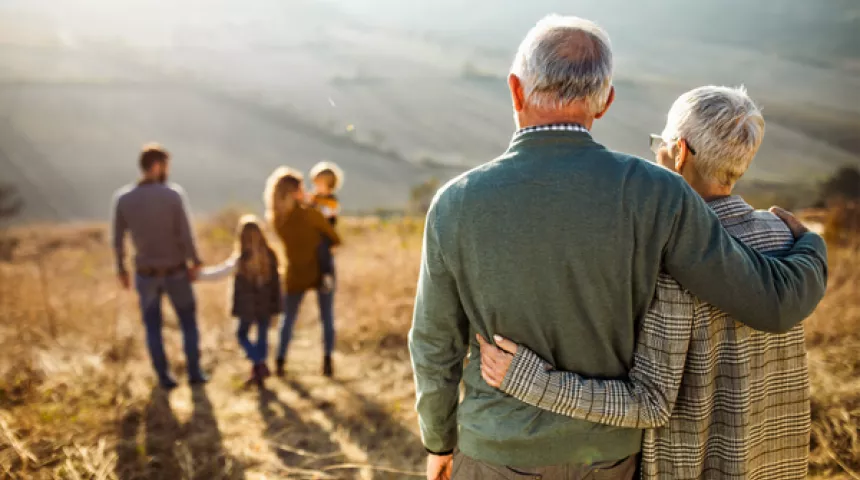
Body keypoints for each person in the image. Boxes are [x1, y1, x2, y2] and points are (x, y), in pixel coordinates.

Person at [408, 15, 828, 480]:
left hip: (494, 449)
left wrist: (439, 440)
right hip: (607, 457)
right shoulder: (657, 192)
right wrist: (810, 245)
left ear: (515, 90)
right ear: (605, 101)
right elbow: (767, 301)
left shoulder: (456, 202)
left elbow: (434, 344)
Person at [478, 86, 812, 480]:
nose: (656, 153)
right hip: (775, 466)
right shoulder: (785, 237)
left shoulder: (670, 259)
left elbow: (651, 403)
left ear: (680, 153)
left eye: (661, 144)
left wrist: (532, 382)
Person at [111, 143, 207, 389]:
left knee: (153, 327)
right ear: (156, 166)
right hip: (176, 271)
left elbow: (118, 239)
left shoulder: (123, 199)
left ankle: (164, 377)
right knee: (188, 322)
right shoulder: (172, 195)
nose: (168, 171)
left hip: (145, 275)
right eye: (166, 165)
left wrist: (121, 270)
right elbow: (186, 234)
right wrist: (195, 261)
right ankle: (194, 372)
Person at [264, 167, 342, 378]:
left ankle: (280, 361)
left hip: (295, 272)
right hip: (321, 270)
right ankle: (327, 361)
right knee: (327, 317)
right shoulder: (310, 214)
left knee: (287, 319)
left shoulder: (277, 219)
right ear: (295, 191)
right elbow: (335, 237)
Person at [198, 215, 282, 387]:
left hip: (247, 307)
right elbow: (277, 284)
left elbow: (219, 273)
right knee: (262, 336)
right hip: (266, 305)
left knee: (241, 334)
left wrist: (197, 275)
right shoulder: (271, 255)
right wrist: (276, 305)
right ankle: (259, 367)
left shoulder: (241, 259)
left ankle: (258, 363)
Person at [308, 161, 344, 293]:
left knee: (324, 251)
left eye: (320, 184)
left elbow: (328, 214)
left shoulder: (331, 200)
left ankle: (326, 275)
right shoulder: (314, 198)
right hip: (313, 235)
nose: (316, 187)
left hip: (325, 235)